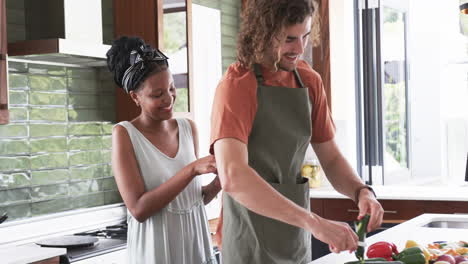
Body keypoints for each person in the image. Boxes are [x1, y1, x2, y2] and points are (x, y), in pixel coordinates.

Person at [209, 0, 385, 263]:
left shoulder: (309, 81)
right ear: (263, 33)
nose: (300, 48)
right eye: (290, 39)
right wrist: (315, 223)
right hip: (248, 240)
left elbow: (332, 158)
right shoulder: (236, 86)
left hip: (294, 239)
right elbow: (234, 176)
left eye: (305, 35)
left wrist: (362, 192)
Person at [107, 36, 221, 264]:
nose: (169, 99)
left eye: (171, 88)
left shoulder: (188, 128)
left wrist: (221, 179)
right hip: (156, 252)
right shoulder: (125, 134)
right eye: (157, 95)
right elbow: (138, 208)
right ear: (135, 97)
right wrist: (192, 169)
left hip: (195, 247)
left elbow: (193, 200)